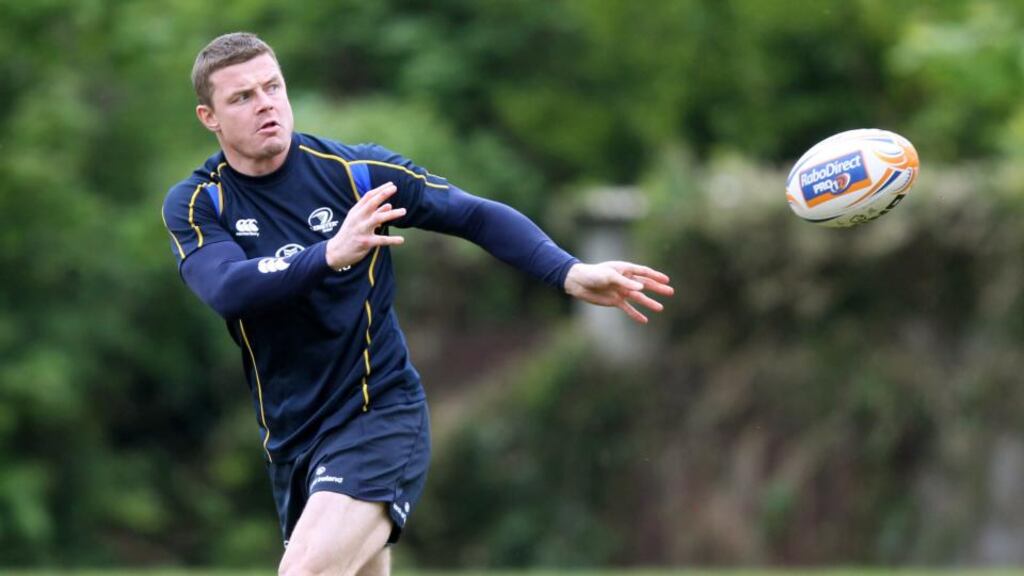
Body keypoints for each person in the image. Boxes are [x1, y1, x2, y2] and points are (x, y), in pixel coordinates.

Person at [161, 32, 673, 576]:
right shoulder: (200, 202)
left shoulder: (355, 175)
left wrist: (568, 271)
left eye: (273, 87)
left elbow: (473, 214)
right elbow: (227, 288)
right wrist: (328, 254)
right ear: (208, 117)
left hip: (376, 414)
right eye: (242, 97)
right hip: (291, 440)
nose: (265, 103)